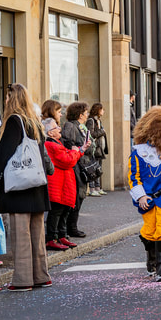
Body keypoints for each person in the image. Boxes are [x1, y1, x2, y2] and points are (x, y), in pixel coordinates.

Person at [0, 84, 52, 291]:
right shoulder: (35, 122)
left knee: (21, 235)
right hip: (36, 184)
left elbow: (4, 153)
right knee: (37, 234)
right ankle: (41, 276)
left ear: (13, 99)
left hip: (19, 186)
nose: (6, 100)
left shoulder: (14, 121)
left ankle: (23, 280)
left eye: (8, 97)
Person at [129, 106, 161, 282]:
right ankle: (151, 260)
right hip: (147, 198)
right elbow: (133, 178)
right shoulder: (138, 153)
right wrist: (141, 196)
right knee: (148, 230)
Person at [43, 118, 83, 251]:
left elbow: (69, 157)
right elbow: (67, 160)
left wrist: (79, 151)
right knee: (57, 212)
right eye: (56, 127)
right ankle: (52, 238)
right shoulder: (51, 145)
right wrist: (76, 151)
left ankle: (61, 235)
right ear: (50, 133)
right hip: (57, 184)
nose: (60, 129)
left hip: (63, 183)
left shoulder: (56, 143)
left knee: (64, 210)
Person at [61, 102, 93, 239]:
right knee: (75, 197)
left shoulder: (82, 127)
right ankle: (70, 228)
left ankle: (72, 226)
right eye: (86, 113)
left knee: (80, 196)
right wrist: (79, 148)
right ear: (80, 115)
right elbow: (67, 143)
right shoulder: (70, 126)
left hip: (82, 164)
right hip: (76, 166)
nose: (87, 115)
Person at [86, 102, 108, 196]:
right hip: (94, 148)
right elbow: (90, 134)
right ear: (98, 110)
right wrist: (102, 131)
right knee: (93, 168)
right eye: (102, 109)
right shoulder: (91, 120)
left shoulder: (99, 121)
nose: (103, 111)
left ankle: (98, 188)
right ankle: (92, 189)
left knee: (98, 169)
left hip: (100, 148)